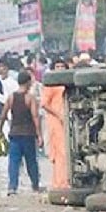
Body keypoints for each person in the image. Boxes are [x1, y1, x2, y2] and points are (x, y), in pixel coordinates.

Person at [0, 70, 42, 196]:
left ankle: (12, 187)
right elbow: (35, 117)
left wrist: (0, 131)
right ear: (28, 82)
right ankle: (35, 185)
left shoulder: (11, 97)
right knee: (31, 162)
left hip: (15, 133)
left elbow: (3, 115)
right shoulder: (30, 98)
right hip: (28, 134)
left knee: (14, 162)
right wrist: (39, 135)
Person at [41, 58, 70, 190]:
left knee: (67, 152)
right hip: (56, 122)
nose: (60, 69)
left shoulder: (69, 82)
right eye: (57, 66)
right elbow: (44, 104)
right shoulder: (51, 84)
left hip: (68, 121)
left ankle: (63, 181)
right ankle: (61, 183)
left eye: (62, 66)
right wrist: (59, 115)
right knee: (61, 152)